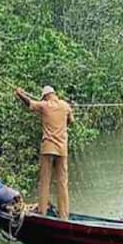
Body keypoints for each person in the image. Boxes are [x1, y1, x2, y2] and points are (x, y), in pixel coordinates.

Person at [14, 85, 74, 220]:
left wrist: (20, 94)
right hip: (62, 149)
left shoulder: (44, 105)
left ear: (46, 96)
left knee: (45, 181)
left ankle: (42, 212)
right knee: (62, 182)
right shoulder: (65, 106)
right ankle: (64, 215)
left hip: (48, 148)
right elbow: (71, 121)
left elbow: (29, 103)